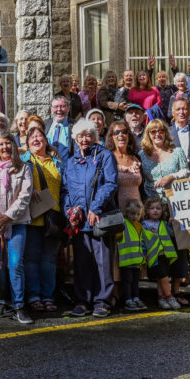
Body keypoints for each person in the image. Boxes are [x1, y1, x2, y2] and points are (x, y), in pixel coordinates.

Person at [64, 118, 119, 318]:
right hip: (79, 222)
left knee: (103, 262)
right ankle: (83, 300)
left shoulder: (105, 156)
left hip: (100, 218)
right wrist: (69, 211)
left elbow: (111, 183)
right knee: (82, 262)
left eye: (88, 135)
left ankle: (103, 301)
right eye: (81, 136)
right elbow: (65, 190)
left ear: (95, 137)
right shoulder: (71, 162)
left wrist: (96, 207)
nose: (85, 139)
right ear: (75, 138)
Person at [0, 133, 35, 324]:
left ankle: (18, 305)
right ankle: (2, 302)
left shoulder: (24, 168)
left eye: (8, 143)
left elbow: (25, 196)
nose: (5, 147)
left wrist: (7, 217)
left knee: (16, 264)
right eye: (1, 144)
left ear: (14, 145)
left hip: (16, 223)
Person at [138, 120, 190, 304]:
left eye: (160, 131)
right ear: (148, 135)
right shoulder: (142, 155)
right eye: (153, 132)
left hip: (174, 207)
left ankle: (176, 291)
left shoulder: (176, 152)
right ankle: (161, 292)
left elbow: (186, 171)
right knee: (157, 251)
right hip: (152, 208)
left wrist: (172, 176)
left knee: (178, 249)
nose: (157, 134)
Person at [20, 125, 64, 313]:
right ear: (27, 143)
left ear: (46, 141)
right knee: (31, 260)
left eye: (40, 137)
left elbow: (65, 187)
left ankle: (48, 296)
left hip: (53, 217)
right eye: (32, 138)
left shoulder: (58, 162)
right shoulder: (22, 161)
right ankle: (34, 296)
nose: (36, 140)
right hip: (31, 218)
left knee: (48, 260)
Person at [141, 197, 180, 310]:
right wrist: (144, 254)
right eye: (152, 208)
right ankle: (169, 296)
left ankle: (161, 298)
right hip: (153, 256)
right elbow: (143, 241)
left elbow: (172, 234)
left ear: (162, 210)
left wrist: (172, 224)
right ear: (147, 210)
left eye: (158, 208)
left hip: (164, 255)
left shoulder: (163, 223)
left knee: (160, 278)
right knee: (164, 277)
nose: (155, 210)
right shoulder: (144, 224)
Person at [116, 199, 146, 311]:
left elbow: (141, 242)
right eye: (132, 214)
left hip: (137, 261)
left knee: (136, 281)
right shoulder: (123, 224)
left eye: (138, 214)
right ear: (127, 213)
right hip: (126, 260)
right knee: (127, 281)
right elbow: (117, 237)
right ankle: (128, 299)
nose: (135, 216)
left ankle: (136, 298)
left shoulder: (139, 226)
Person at [107, 119, 144, 209]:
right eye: (116, 132)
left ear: (128, 135)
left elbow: (142, 188)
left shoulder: (136, 158)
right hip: (118, 213)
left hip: (137, 213)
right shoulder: (108, 159)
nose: (121, 135)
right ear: (111, 136)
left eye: (124, 131)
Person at [46, 95, 74, 161]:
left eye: (63, 106)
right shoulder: (44, 124)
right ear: (51, 109)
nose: (59, 109)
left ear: (68, 108)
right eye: (56, 107)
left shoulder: (75, 125)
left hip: (67, 167)